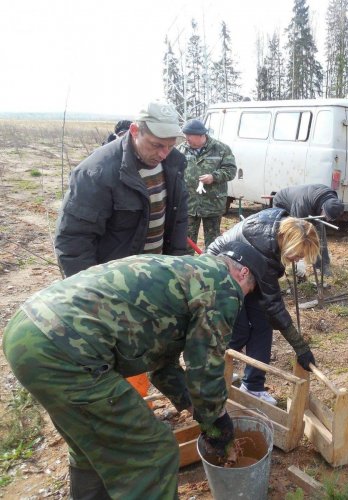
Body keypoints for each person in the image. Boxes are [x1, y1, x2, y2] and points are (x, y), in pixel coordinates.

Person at [3, 242, 267, 499]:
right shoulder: (223, 287)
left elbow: (164, 369)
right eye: (249, 289)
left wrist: (195, 408)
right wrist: (217, 423)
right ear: (242, 273)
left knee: (95, 445)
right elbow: (205, 367)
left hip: (28, 329)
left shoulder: (184, 273)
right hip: (64, 349)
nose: (243, 298)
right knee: (153, 453)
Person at [55, 101, 189, 278]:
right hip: (115, 284)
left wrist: (177, 268)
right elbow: (74, 241)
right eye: (156, 145)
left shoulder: (174, 163)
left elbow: (178, 220)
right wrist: (93, 292)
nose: (164, 154)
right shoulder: (96, 173)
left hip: (159, 277)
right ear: (134, 131)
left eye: (170, 145)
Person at [207, 208, 320, 404]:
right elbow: (274, 306)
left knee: (263, 323)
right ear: (287, 240)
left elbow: (270, 309)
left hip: (249, 269)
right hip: (222, 271)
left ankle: (252, 386)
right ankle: (212, 375)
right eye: (298, 254)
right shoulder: (264, 247)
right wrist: (300, 347)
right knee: (239, 330)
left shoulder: (280, 229)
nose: (299, 259)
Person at [177, 119, 237, 251]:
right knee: (186, 243)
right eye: (185, 136)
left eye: (189, 136)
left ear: (200, 135)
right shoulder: (181, 150)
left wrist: (213, 177)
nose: (186, 139)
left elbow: (231, 171)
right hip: (189, 205)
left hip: (212, 204)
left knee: (213, 243)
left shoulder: (221, 149)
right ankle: (187, 268)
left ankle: (211, 267)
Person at [272, 183, 344, 276]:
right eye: (326, 216)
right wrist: (300, 261)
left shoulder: (331, 198)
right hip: (283, 202)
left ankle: (323, 265)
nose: (327, 220)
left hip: (310, 205)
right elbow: (297, 230)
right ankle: (280, 267)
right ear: (323, 208)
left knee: (319, 234)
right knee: (289, 236)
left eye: (330, 219)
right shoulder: (302, 205)